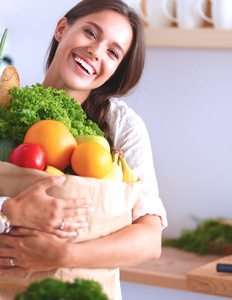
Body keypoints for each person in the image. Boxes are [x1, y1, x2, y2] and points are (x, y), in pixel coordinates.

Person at [0, 0, 167, 299]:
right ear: (62, 28)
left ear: (116, 69)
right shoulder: (6, 105)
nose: (96, 50)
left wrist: (63, 256)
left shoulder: (121, 126)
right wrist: (8, 212)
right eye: (90, 33)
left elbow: (149, 239)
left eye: (113, 52)